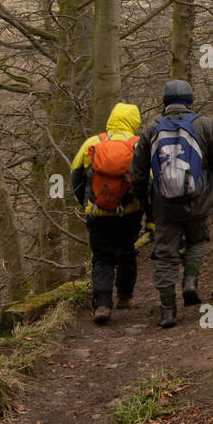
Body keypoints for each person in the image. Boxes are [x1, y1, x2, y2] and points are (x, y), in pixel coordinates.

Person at [130, 80, 213, 328]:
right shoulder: (205, 125)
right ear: (190, 100)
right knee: (197, 241)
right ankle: (190, 281)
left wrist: (147, 204)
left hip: (164, 204)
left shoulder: (150, 129)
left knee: (165, 255)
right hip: (199, 200)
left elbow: (137, 174)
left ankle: (167, 310)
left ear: (165, 102)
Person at [70, 103, 144, 325]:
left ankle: (102, 304)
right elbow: (147, 180)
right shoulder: (138, 144)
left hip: (98, 212)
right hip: (129, 212)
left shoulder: (93, 143)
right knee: (127, 252)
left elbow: (76, 177)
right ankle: (124, 296)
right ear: (135, 122)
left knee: (102, 257)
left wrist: (86, 202)